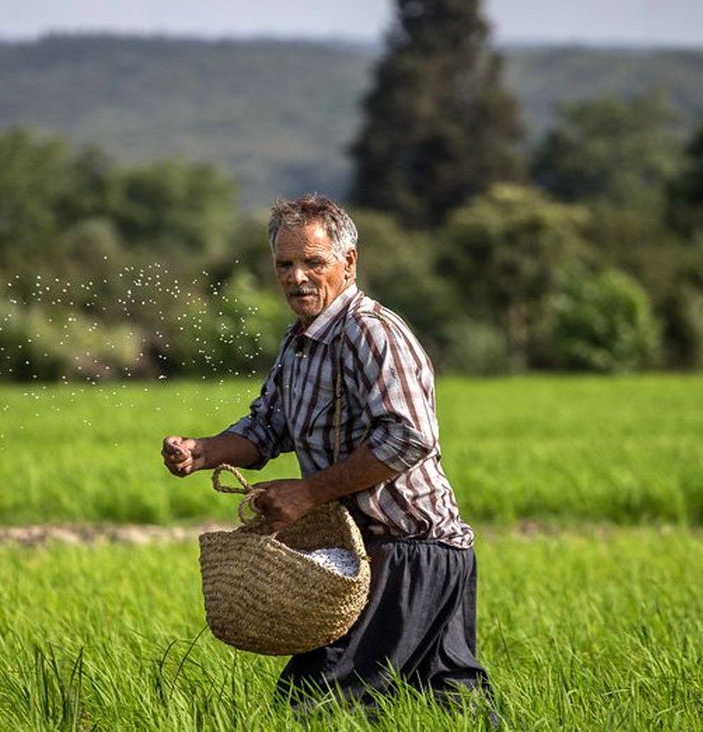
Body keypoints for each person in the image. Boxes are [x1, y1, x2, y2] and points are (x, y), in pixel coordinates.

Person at [161, 195, 492, 712]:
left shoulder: (372, 331)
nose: (297, 277)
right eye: (285, 264)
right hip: (372, 555)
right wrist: (201, 451)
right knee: (444, 707)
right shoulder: (299, 343)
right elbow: (265, 428)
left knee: (313, 700)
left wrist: (307, 493)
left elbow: (409, 436)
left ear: (349, 262)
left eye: (313, 262)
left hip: (411, 551)